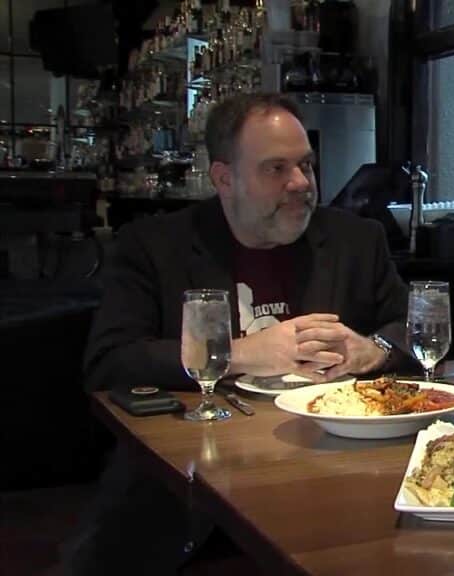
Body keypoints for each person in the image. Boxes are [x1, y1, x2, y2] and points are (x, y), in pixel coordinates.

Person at [67, 93, 415, 574]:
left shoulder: (357, 240)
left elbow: (414, 329)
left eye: (306, 166)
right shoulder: (154, 247)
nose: (300, 184)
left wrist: (370, 351)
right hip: (191, 483)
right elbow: (109, 362)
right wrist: (238, 354)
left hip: (336, 470)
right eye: (276, 169)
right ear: (224, 179)